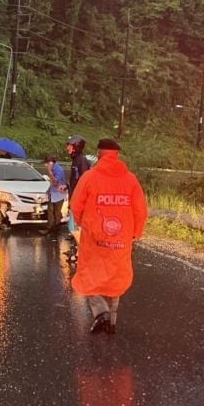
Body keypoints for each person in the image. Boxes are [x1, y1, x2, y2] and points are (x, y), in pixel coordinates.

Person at [70, 138, 148, 335]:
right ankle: (112, 321)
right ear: (117, 155)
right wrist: (135, 233)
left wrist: (83, 224)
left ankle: (100, 312)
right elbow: (140, 210)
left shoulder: (90, 177)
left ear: (98, 154)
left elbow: (76, 205)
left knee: (89, 275)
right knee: (116, 278)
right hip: (121, 240)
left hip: (95, 239)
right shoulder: (130, 179)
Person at [65, 135, 92, 261]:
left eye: (69, 145)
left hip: (79, 202)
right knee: (74, 228)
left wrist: (80, 201)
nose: (67, 148)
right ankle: (77, 251)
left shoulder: (82, 161)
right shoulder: (76, 160)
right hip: (74, 199)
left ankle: (82, 253)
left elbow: (84, 182)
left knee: (74, 227)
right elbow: (75, 181)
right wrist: (66, 186)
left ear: (76, 146)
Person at [39, 153, 68, 235]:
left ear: (51, 163)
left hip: (59, 193)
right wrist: (48, 190)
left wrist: (49, 172)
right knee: (50, 211)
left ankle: (55, 228)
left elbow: (55, 182)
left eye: (46, 163)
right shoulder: (53, 169)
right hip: (53, 193)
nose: (45, 165)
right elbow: (52, 184)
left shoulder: (59, 170)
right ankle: (50, 228)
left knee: (56, 212)